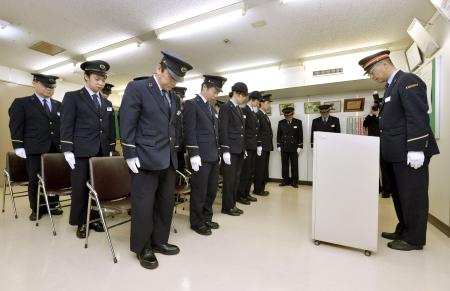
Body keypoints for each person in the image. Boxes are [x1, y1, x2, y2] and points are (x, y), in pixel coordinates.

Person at [358, 50, 439, 251]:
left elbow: (417, 116)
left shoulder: (407, 80)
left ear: (384, 64)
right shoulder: (391, 86)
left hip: (409, 153)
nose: (371, 76)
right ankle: (404, 229)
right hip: (396, 153)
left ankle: (414, 239)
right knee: (400, 194)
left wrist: (417, 148)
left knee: (413, 195)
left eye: (371, 72)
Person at [120, 51, 193, 269]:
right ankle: (143, 248)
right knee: (143, 205)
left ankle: (159, 240)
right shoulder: (138, 88)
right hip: (144, 158)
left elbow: (170, 128)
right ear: (159, 69)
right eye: (170, 77)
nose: (173, 82)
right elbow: (126, 120)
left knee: (165, 203)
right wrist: (129, 152)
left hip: (167, 159)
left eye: (177, 80)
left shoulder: (171, 96)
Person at [60, 60, 116, 239]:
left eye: (103, 79)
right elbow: (66, 123)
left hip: (101, 151)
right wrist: (67, 149)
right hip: (81, 151)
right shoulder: (73, 97)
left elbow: (109, 128)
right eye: (97, 79)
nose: (100, 83)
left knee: (98, 188)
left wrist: (110, 148)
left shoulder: (106, 102)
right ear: (86, 77)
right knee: (79, 188)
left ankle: (95, 218)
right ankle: (81, 222)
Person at [8, 73, 63, 221]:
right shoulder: (22, 103)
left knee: (54, 178)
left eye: (52, 87)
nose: (49, 89)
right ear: (35, 83)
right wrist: (18, 145)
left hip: (55, 149)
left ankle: (53, 205)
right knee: (35, 179)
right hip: (34, 148)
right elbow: (16, 125)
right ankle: (36, 208)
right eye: (46, 86)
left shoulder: (58, 104)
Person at [184, 75, 226, 235]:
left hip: (213, 155)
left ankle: (207, 217)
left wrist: (219, 152)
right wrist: (193, 153)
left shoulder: (209, 107)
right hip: (200, 156)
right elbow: (190, 130)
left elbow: (214, 133)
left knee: (211, 190)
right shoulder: (191, 104)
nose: (216, 95)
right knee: (199, 191)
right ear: (204, 87)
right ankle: (196, 222)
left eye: (218, 92)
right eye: (214, 91)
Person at [219, 82, 248, 216]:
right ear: (236, 93)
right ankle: (227, 207)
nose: (244, 99)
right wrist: (225, 150)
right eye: (243, 96)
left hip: (239, 149)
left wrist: (244, 148)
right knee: (229, 180)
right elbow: (223, 129)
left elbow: (241, 131)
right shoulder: (226, 107)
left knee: (236, 179)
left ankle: (232, 204)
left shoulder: (238, 108)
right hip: (230, 150)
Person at [363, 91, 390, 198]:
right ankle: (376, 188)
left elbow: (385, 126)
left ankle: (386, 190)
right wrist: (371, 114)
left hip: (384, 144)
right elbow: (365, 124)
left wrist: (379, 115)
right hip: (372, 145)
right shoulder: (370, 117)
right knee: (373, 168)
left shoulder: (385, 115)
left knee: (385, 168)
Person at [237, 91, 261, 204]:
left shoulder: (253, 112)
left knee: (251, 171)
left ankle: (247, 193)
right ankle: (241, 195)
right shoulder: (244, 110)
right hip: (247, 146)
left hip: (253, 146)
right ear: (253, 100)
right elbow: (244, 131)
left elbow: (255, 130)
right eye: (258, 101)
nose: (258, 103)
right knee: (245, 172)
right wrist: (244, 147)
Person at [277, 107, 303, 188]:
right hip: (284, 147)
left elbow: (300, 135)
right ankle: (285, 180)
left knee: (294, 165)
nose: (287, 117)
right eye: (286, 116)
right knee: (284, 165)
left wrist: (300, 146)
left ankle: (294, 181)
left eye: (289, 115)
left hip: (294, 147)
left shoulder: (298, 122)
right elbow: (278, 135)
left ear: (292, 114)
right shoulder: (281, 122)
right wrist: (278, 145)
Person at [253, 94, 273, 196]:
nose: (269, 105)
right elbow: (258, 132)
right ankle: (257, 189)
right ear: (261, 103)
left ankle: (261, 188)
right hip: (261, 147)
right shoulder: (258, 115)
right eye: (268, 103)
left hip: (266, 146)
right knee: (260, 169)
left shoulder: (265, 115)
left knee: (264, 169)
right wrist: (259, 144)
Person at [172, 86, 187, 173]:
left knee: (181, 164)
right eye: (180, 97)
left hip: (181, 144)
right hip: (173, 144)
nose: (181, 99)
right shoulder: (171, 109)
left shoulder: (183, 109)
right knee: (175, 167)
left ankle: (181, 180)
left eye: (182, 97)